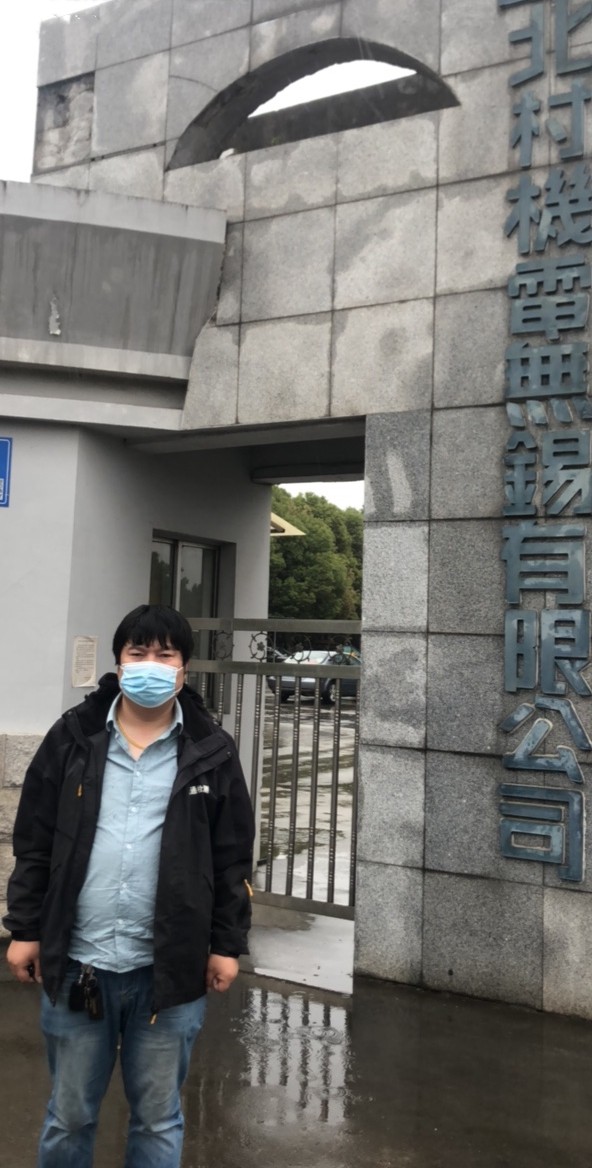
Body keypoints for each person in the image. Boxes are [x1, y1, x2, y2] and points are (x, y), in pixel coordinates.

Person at [3, 603, 255, 1168]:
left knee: (158, 1120)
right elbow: (35, 840)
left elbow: (231, 857)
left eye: (165, 655)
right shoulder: (73, 737)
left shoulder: (211, 750)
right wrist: (24, 928)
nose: (150, 665)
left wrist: (225, 944)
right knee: (69, 1117)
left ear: (184, 669)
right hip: (80, 963)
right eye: (138, 653)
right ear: (119, 663)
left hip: (169, 973)